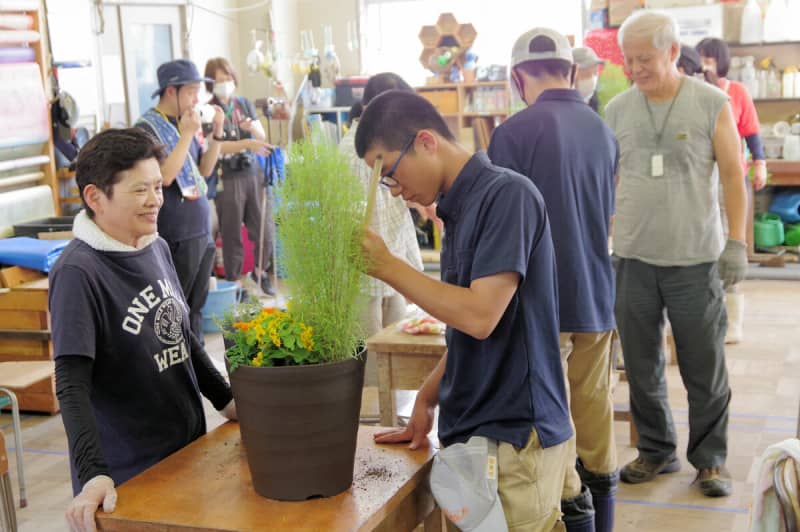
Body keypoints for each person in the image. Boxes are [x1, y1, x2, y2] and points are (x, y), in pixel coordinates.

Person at [356, 90, 573, 531]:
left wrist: (388, 267)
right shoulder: (458, 210)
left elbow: (479, 315)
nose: (396, 192)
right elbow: (468, 332)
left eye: (391, 172)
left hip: (515, 436)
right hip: (474, 431)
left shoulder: (508, 196)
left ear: (426, 142)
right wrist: (429, 395)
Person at [50, 128, 236, 532]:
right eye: (140, 191)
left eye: (157, 186)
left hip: (184, 452)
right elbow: (70, 382)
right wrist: (93, 473)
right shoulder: (78, 272)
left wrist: (227, 401)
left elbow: (181, 336)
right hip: (129, 474)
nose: (155, 200)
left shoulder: (155, 245)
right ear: (95, 198)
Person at [606, 10, 748, 498]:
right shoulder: (619, 109)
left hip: (695, 259)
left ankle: (710, 459)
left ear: (672, 52)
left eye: (644, 58)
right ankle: (655, 450)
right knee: (641, 366)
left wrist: (736, 243)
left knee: (703, 365)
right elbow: (611, 180)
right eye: (629, 60)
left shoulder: (711, 102)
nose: (635, 68)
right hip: (633, 258)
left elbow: (733, 174)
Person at [488, 28, 618, 532]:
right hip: (597, 299)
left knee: (552, 429)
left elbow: (502, 232)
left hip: (542, 309)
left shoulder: (512, 134)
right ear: (572, 72)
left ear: (518, 77)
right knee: (596, 422)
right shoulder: (603, 132)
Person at [339, 73, 423, 386]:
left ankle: (394, 417)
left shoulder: (390, 143)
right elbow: (347, 220)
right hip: (363, 271)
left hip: (392, 259)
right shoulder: (352, 151)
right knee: (373, 357)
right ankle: (374, 423)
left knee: (397, 349)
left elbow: (396, 204)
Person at [135, 59, 225, 344]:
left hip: (200, 230)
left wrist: (217, 134)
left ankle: (196, 377)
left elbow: (205, 170)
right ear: (171, 91)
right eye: (191, 91)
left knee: (196, 309)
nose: (196, 99)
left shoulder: (182, 125)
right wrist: (187, 134)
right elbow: (164, 176)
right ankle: (175, 377)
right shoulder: (147, 128)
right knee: (175, 310)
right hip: (177, 233)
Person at [697, 37, 768, 343]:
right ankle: (710, 315)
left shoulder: (736, 91)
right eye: (701, 57)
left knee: (729, 244)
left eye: (709, 58)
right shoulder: (693, 92)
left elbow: (751, 132)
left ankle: (734, 320)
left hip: (730, 177)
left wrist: (760, 164)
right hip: (700, 180)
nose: (704, 63)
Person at [204, 57, 276, 296]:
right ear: (210, 83)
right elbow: (215, 148)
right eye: (218, 80)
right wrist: (245, 142)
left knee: (264, 228)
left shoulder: (242, 104)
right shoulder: (209, 110)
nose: (224, 83)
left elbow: (261, 134)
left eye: (227, 78)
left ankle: (260, 271)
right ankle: (234, 285)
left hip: (252, 173)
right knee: (232, 233)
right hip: (228, 177)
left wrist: (252, 130)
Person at [572, 46, 605, 112]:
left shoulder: (594, 102)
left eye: (595, 73)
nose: (593, 79)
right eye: (588, 74)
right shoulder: (560, 108)